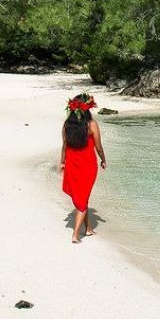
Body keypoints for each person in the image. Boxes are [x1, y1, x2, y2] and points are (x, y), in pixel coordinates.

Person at [60, 92, 106, 243]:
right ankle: (75, 234)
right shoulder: (92, 125)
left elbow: (64, 145)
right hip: (88, 166)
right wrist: (104, 159)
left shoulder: (67, 125)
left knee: (82, 197)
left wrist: (62, 162)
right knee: (83, 199)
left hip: (72, 165)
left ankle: (88, 229)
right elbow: (98, 147)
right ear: (87, 108)